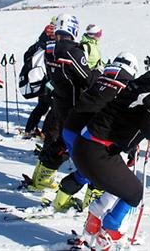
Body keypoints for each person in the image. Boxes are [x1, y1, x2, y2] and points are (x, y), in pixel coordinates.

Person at [73, 65, 150, 249]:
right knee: (134, 193)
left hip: (89, 144)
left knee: (123, 184)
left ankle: (94, 224)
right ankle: (109, 230)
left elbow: (137, 109)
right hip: (96, 150)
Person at [51, 53, 138, 212]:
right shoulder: (127, 85)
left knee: (85, 170)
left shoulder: (102, 76)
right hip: (88, 134)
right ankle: (91, 205)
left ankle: (60, 200)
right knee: (97, 172)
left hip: (70, 126)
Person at [28, 14, 94, 191]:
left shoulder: (51, 48)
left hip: (58, 100)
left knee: (60, 142)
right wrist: (100, 76)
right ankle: (79, 185)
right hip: (73, 105)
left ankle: (40, 176)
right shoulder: (72, 50)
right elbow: (87, 78)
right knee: (78, 145)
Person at [21, 19, 56, 139]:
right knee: (54, 108)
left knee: (42, 106)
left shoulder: (39, 44)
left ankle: (29, 129)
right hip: (48, 80)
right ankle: (45, 135)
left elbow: (26, 57)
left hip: (40, 79)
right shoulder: (49, 46)